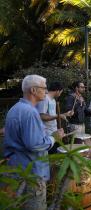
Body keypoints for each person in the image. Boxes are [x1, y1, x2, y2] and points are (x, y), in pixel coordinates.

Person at [3, 75, 64, 210]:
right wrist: (54, 137)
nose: (47, 91)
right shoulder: (30, 112)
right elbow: (35, 144)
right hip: (31, 173)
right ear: (33, 90)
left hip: (17, 169)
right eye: (44, 88)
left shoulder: (15, 108)